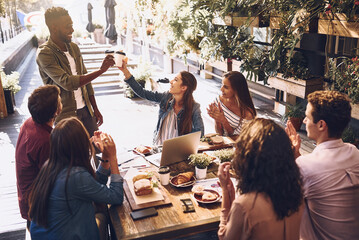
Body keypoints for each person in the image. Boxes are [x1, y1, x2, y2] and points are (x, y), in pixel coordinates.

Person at [28, 117, 124, 240]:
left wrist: (105, 156)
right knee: (104, 217)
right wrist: (113, 158)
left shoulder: (50, 167)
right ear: (80, 145)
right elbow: (116, 196)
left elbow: (93, 187)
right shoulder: (75, 176)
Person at [286, 90, 359, 240]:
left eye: (307, 117)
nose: (304, 121)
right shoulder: (354, 153)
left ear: (321, 125)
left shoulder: (306, 166)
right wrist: (296, 156)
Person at [218, 118, 303, 240]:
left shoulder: (245, 205)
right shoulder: (297, 193)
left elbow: (224, 237)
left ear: (247, 158)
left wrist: (225, 192)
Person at [37, 7, 115, 136]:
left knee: (97, 148)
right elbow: (68, 83)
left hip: (86, 110)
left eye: (72, 25)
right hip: (65, 116)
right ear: (54, 27)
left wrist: (94, 108)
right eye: (68, 26)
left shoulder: (73, 47)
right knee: (75, 154)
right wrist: (101, 70)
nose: (72, 30)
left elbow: (85, 79)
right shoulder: (45, 53)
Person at [118, 60, 204, 145]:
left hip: (178, 152)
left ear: (183, 88)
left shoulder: (194, 107)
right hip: (158, 148)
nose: (171, 81)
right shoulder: (165, 98)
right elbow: (142, 92)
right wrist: (125, 71)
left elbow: (200, 133)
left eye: (176, 80)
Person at [15, 85, 62, 229]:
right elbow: (53, 178)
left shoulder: (30, 122)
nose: (61, 101)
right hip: (38, 203)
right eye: (59, 101)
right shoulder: (45, 140)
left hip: (26, 195)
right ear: (56, 111)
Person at [207, 71, 256, 137]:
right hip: (224, 143)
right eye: (222, 85)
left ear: (237, 90)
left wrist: (224, 121)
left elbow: (237, 139)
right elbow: (220, 134)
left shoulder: (247, 114)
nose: (221, 89)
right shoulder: (219, 101)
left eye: (226, 87)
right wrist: (217, 119)